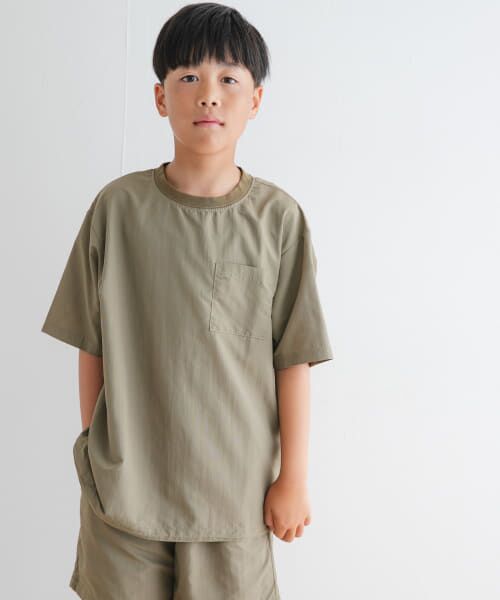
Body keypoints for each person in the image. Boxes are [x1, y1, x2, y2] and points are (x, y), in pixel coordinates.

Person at [41, 2, 334, 598]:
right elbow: (91, 343)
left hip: (236, 499)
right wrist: (96, 452)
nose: (208, 95)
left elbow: (293, 358)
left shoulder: (278, 220)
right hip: (125, 498)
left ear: (255, 100)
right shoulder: (117, 210)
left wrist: (293, 478)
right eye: (189, 77)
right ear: (159, 97)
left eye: (229, 79)